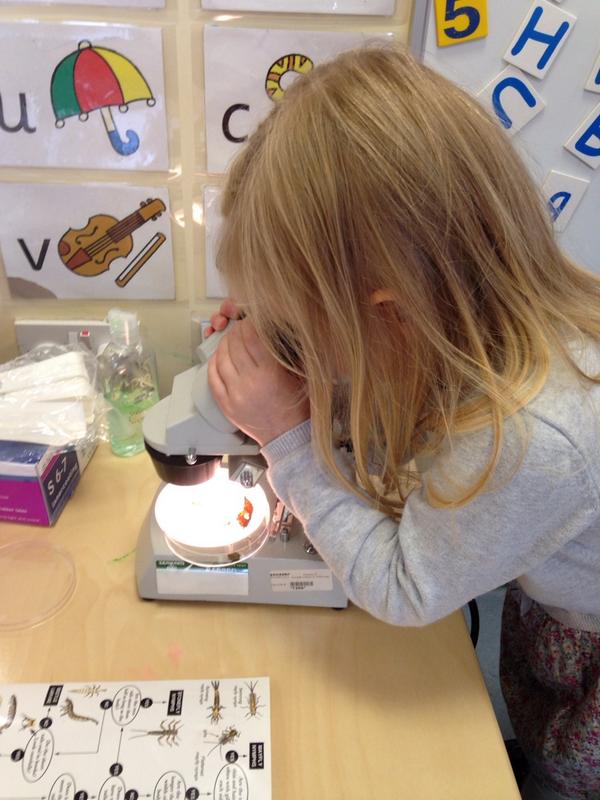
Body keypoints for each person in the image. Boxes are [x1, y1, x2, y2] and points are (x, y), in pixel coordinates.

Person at [205, 46, 600, 800]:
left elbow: (405, 590)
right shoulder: (483, 331)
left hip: (588, 671)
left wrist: (287, 436)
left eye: (304, 322)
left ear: (388, 312)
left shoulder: (526, 437)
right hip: (555, 610)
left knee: (556, 780)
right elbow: (413, 410)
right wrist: (299, 348)